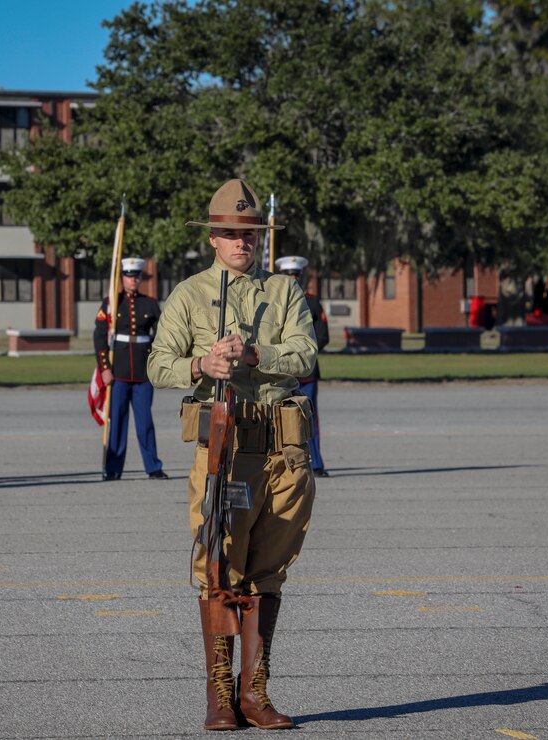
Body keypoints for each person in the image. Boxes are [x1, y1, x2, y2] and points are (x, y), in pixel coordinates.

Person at [148, 179, 318, 731]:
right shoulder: (190, 294)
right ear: (213, 239)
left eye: (249, 234)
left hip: (284, 453)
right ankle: (221, 695)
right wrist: (203, 366)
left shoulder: (284, 291)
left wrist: (254, 353)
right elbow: (157, 363)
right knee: (219, 568)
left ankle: (255, 693)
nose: (241, 242)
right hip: (227, 448)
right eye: (230, 233)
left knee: (270, 573)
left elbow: (306, 354)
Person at [93, 257, 166, 481]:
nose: (132, 280)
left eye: (136, 276)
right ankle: (113, 468)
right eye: (128, 276)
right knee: (117, 421)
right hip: (118, 373)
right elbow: (99, 337)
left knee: (145, 422)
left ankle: (153, 466)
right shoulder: (111, 303)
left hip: (143, 372)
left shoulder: (150, 304)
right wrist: (105, 368)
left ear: (141, 278)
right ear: (122, 278)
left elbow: (162, 336)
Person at [275, 255, 330, 477]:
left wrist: (303, 352)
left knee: (309, 418)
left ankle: (316, 463)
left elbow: (323, 336)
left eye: (296, 275)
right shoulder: (273, 301)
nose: (293, 279)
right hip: (279, 370)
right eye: (288, 275)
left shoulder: (312, 302)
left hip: (306, 372)